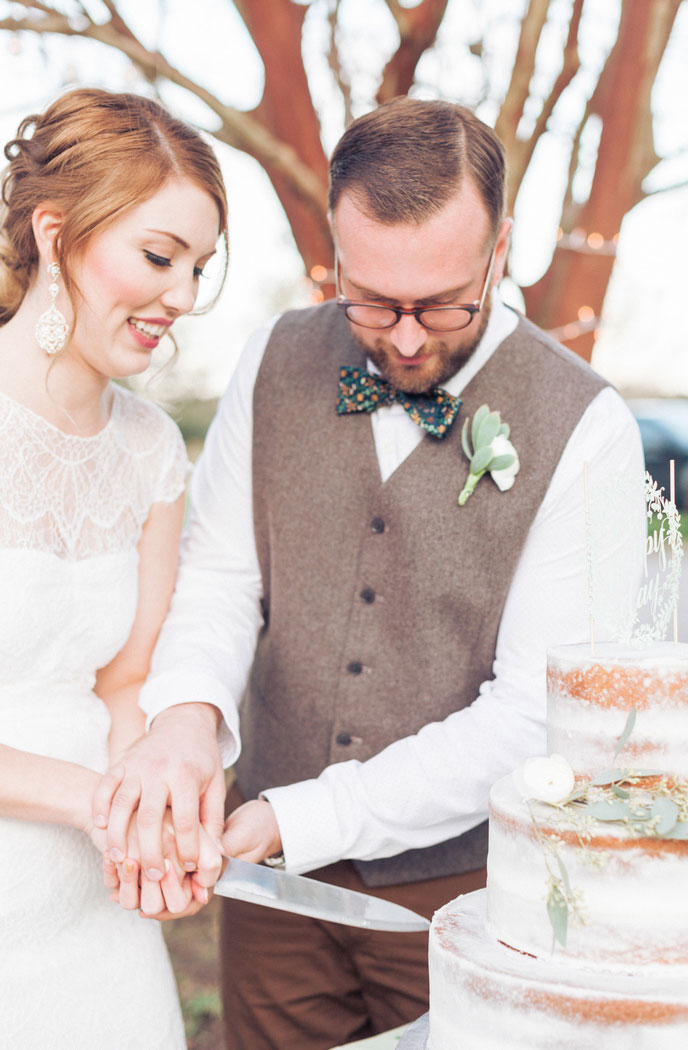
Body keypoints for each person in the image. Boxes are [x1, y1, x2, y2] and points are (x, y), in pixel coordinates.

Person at [96, 97, 644, 1049]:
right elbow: (223, 577)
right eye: (371, 300)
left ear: (500, 247)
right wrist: (189, 720)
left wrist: (294, 819)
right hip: (268, 898)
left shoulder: (588, 430)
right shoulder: (274, 359)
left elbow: (534, 717)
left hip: (471, 904)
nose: (400, 339)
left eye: (439, 304)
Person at [0, 87, 226, 1049]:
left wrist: (159, 815)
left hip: (101, 927)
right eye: (159, 256)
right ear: (57, 236)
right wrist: (104, 802)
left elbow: (127, 678)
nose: (181, 295)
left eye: (198, 267)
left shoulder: (149, 449)